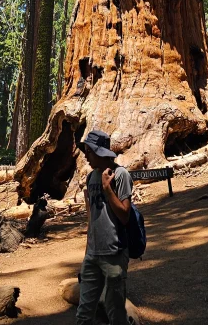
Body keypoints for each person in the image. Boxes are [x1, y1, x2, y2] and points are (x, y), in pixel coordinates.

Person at [77, 128, 132, 325]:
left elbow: (125, 216)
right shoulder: (91, 178)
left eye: (89, 152)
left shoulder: (121, 175)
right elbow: (91, 217)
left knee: (115, 312)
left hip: (114, 254)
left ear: (100, 152)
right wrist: (86, 253)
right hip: (93, 255)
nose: (86, 157)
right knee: (84, 313)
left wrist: (108, 189)